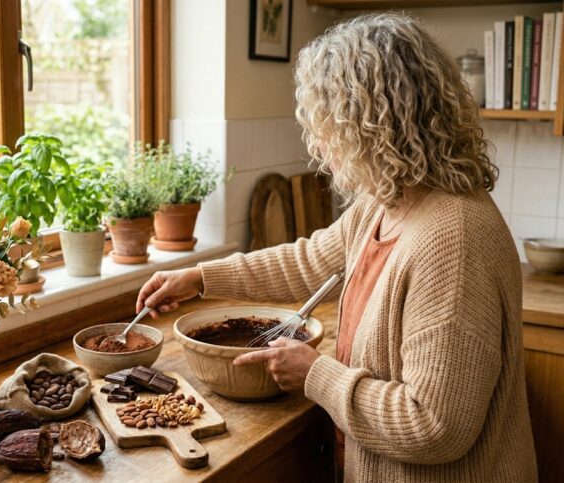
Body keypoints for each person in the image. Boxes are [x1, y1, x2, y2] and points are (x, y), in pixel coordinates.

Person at [136, 13, 537, 483]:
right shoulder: (390, 198)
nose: (320, 147)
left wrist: (316, 375)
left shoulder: (455, 242)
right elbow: (309, 260)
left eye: (328, 126)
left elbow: (434, 426)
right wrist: (202, 278)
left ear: (374, 125)